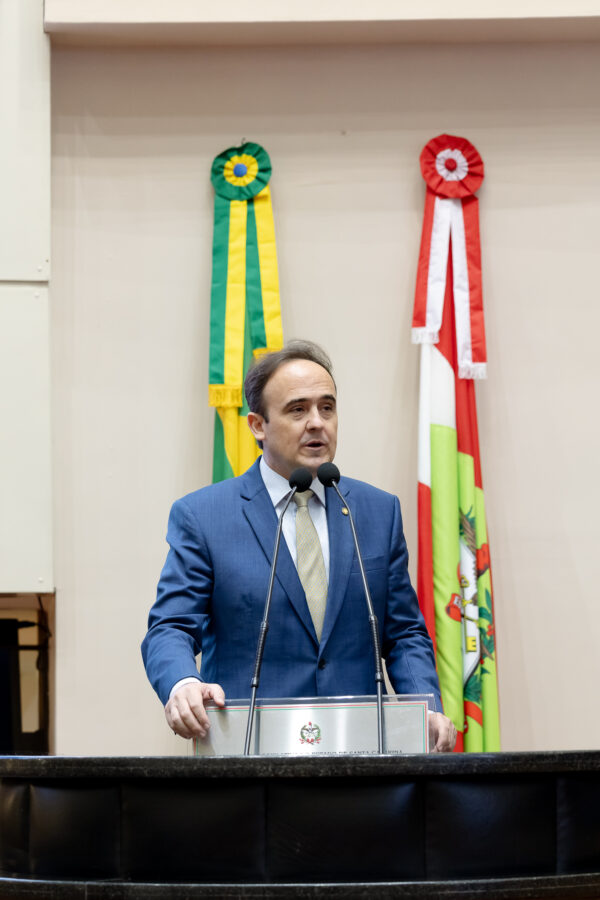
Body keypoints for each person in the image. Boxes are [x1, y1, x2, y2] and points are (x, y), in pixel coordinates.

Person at [142, 340, 456, 751]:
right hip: (249, 755)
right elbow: (171, 626)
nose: (317, 423)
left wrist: (424, 706)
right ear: (258, 425)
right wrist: (182, 682)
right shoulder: (204, 516)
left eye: (327, 408)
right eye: (298, 410)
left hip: (361, 755)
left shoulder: (377, 512)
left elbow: (404, 633)